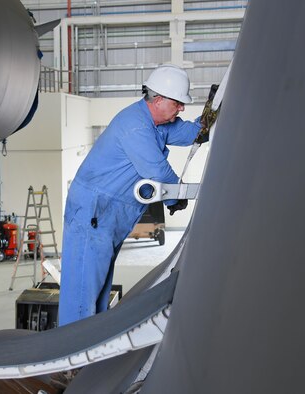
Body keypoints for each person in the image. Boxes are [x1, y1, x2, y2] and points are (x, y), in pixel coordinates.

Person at [58, 64, 203, 326]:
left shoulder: (157, 123)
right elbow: (158, 171)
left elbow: (188, 133)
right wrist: (176, 197)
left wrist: (210, 119)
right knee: (83, 290)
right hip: (93, 213)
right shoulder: (135, 126)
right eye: (178, 103)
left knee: (100, 288)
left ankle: (90, 346)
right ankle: (68, 359)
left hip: (108, 216)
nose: (182, 108)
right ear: (158, 99)